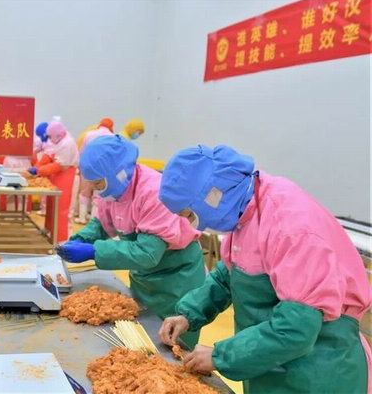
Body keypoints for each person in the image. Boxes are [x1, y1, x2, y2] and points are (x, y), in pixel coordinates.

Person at [158, 144, 371, 393]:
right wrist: (189, 314)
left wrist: (221, 356)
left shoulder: (291, 228)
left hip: (318, 368)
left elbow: (296, 329)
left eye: (188, 215)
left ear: (211, 196)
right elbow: (230, 275)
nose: (190, 223)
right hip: (270, 360)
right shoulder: (246, 210)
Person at [58, 135, 205, 348]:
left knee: (171, 348)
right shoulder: (114, 191)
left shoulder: (154, 192)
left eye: (98, 183)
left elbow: (147, 253)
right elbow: (103, 223)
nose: (96, 189)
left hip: (175, 280)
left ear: (118, 173)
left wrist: (94, 251)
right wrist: (82, 238)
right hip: (144, 278)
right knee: (141, 339)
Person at [28, 121, 78, 242]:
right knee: (52, 206)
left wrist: (39, 170)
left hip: (67, 176)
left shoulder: (67, 143)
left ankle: (61, 241)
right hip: (57, 176)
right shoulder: (58, 141)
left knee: (61, 210)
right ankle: (50, 231)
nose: (49, 139)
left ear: (57, 134)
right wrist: (37, 167)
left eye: (50, 137)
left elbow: (60, 165)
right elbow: (49, 155)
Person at [75, 118, 115, 224]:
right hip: (103, 170)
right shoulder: (112, 137)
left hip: (87, 167)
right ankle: (93, 220)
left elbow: (82, 152)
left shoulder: (89, 134)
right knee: (98, 194)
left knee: (84, 192)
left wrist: (79, 166)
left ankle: (82, 218)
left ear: (100, 124)